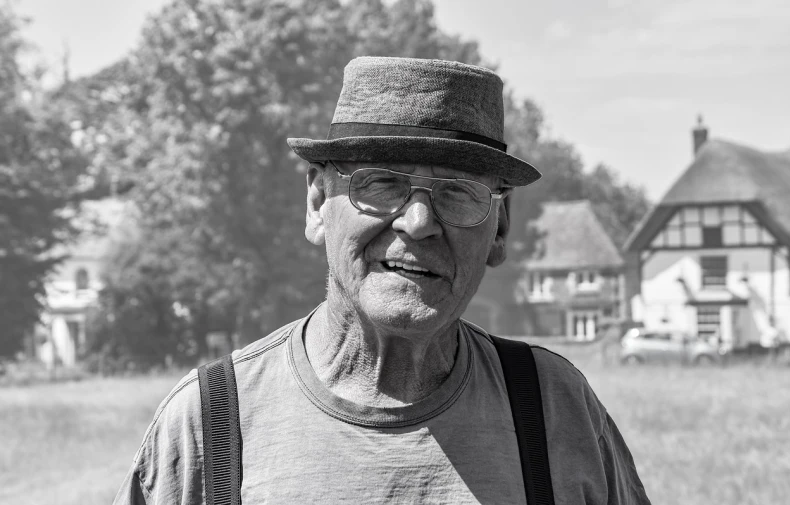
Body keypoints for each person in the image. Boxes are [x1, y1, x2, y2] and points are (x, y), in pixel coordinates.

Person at [114, 56, 650, 504]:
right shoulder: (209, 426)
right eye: (383, 184)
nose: (418, 223)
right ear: (318, 203)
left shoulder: (557, 410)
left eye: (458, 192)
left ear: (501, 228)